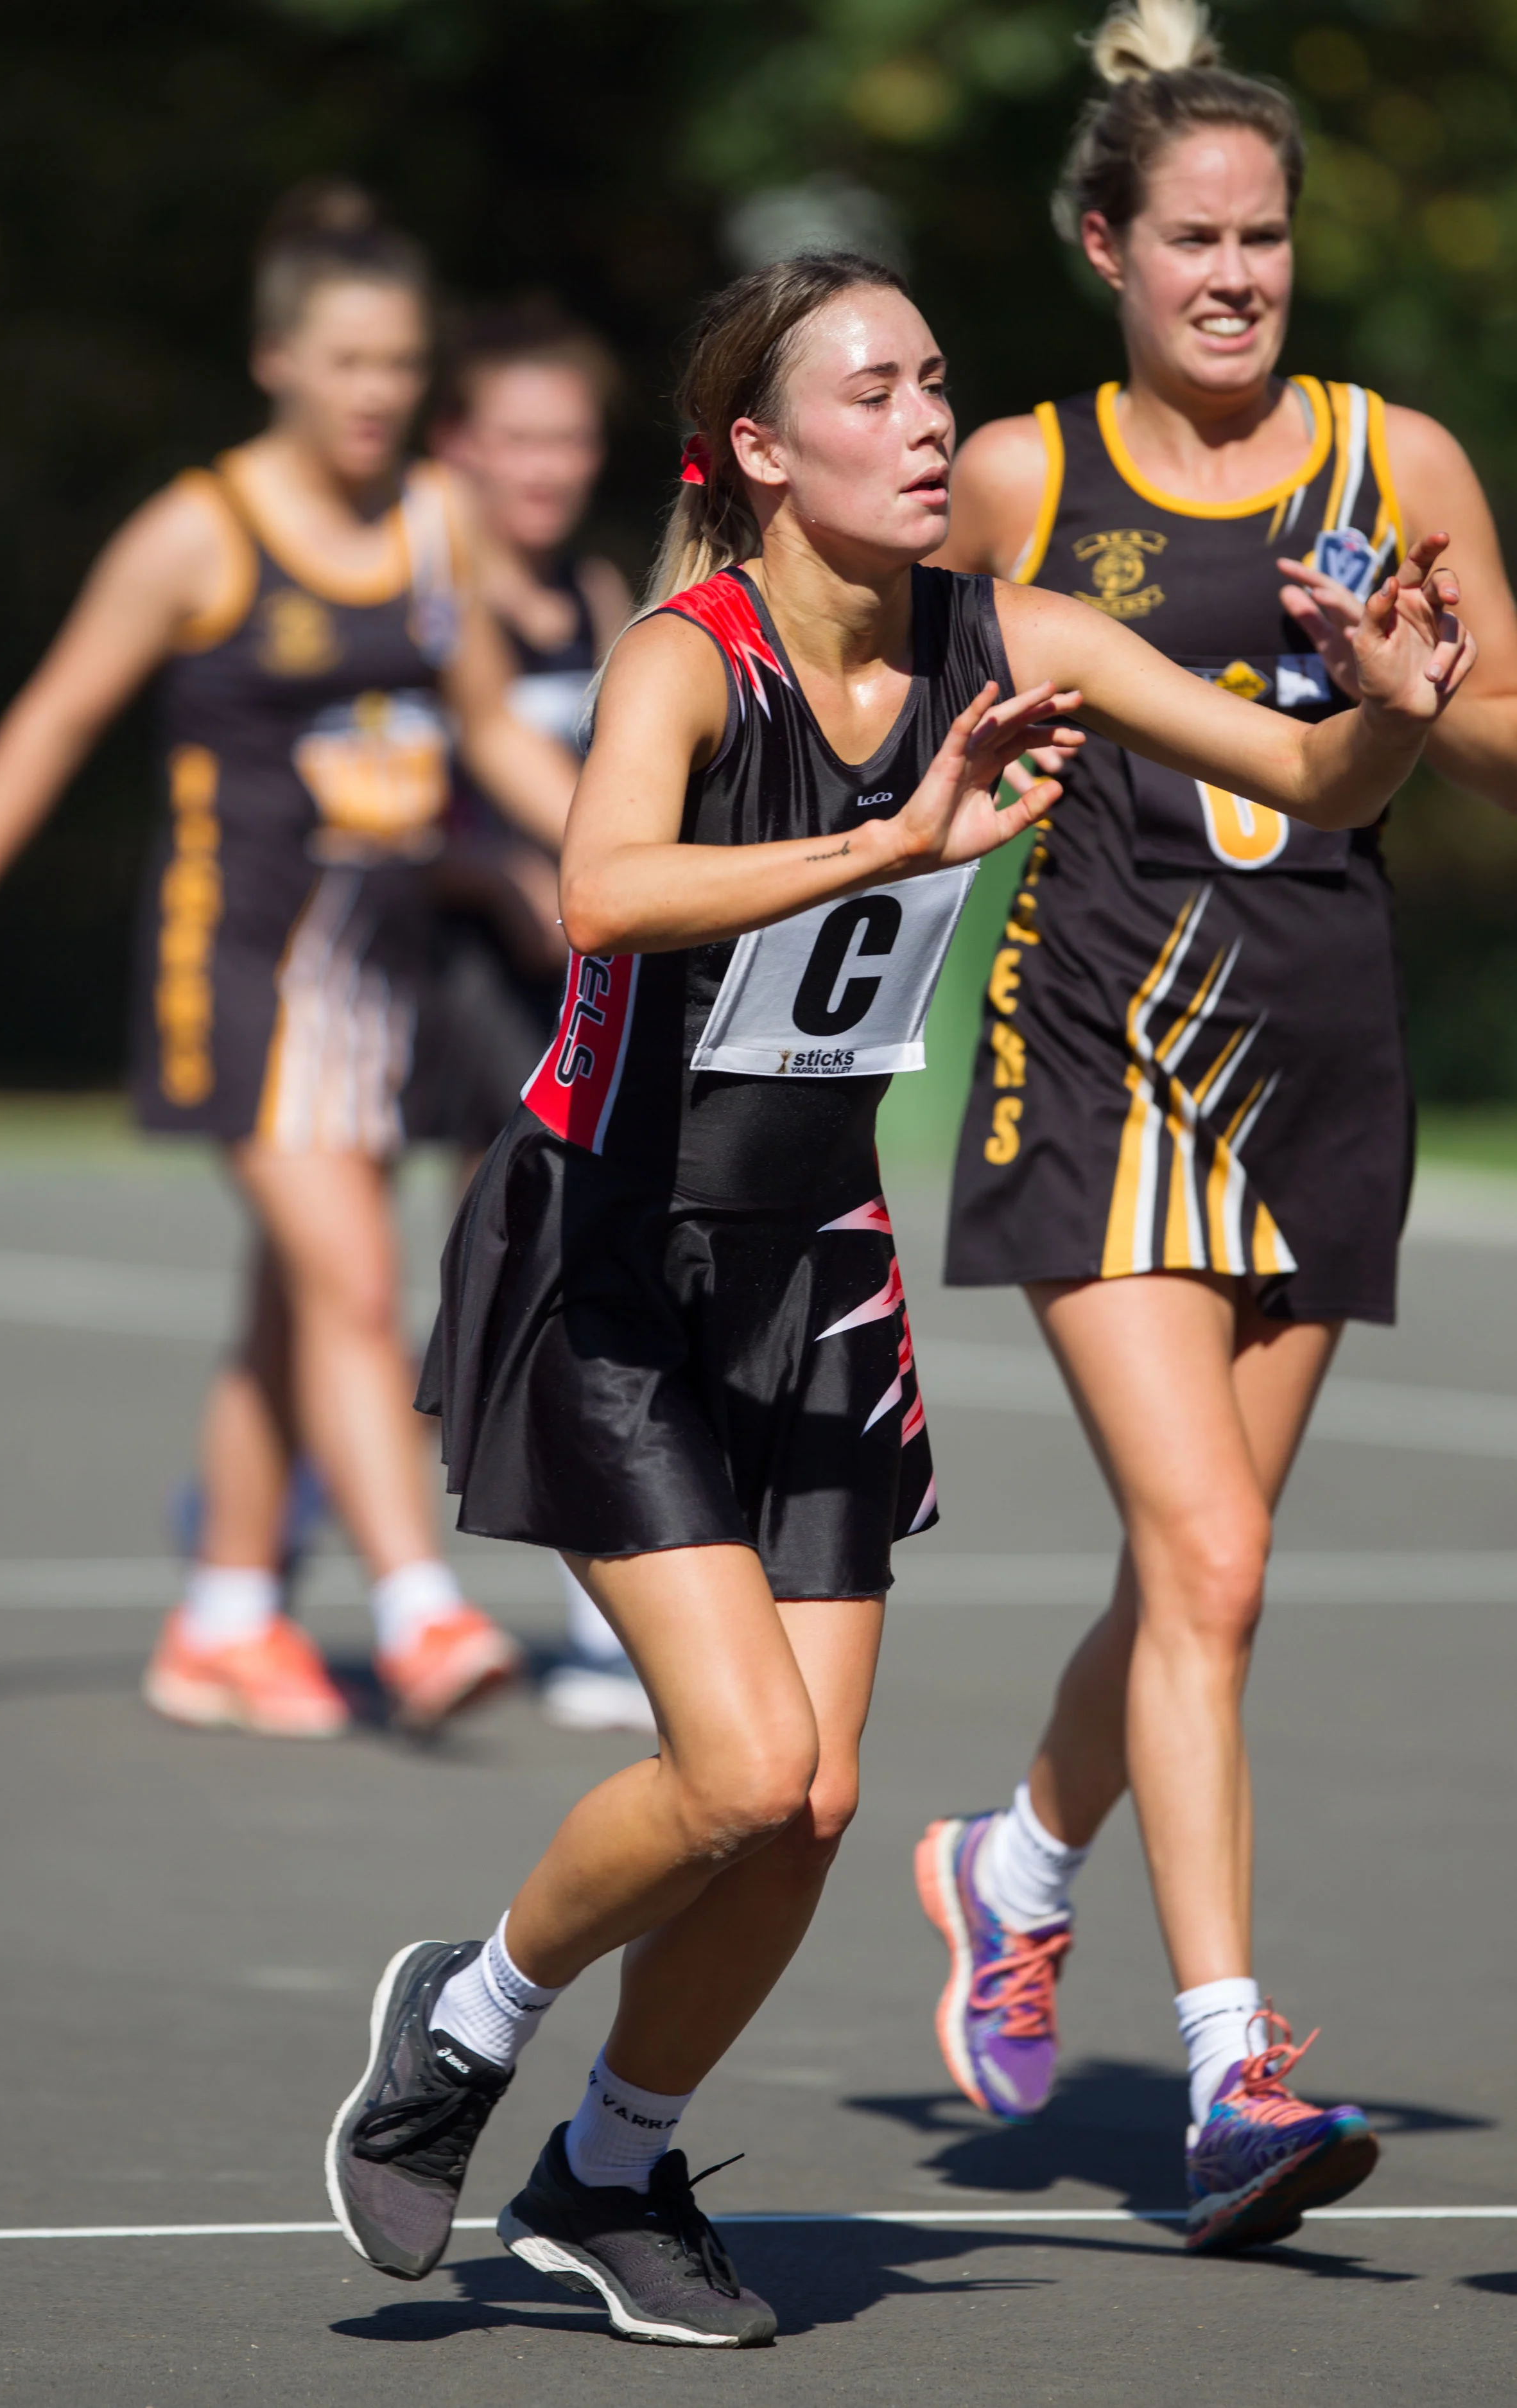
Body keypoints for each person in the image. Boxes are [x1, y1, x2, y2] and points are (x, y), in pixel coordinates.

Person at [321, 249, 1468, 2344]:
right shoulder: (696, 656)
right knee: (745, 1765)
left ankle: (613, 2167)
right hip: (613, 1251)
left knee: (816, 1808)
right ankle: (465, 2024)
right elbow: (604, 892)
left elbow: (1302, 792)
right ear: (761, 450)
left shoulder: (1009, 629)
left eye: (940, 382)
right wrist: (893, 842)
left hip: (815, 1272)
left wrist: (1386, 708)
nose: (931, 422)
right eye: (875, 393)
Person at [915, 0, 1517, 2254]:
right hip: (1092, 1053)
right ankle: (1232, 2072)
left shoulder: (1402, 460)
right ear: (1107, 246)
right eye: (1195, 238)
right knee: (1220, 1569)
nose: (1239, 275)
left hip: (1324, 1054)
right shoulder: (1021, 478)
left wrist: (1423, 699)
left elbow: (1504, 749)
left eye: (1267, 236)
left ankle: (1010, 1864)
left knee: (1197, 1571)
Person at [0, 181, 576, 1739]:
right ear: (276, 360)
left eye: (401, 364)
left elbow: (486, 725)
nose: (377, 392)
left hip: (371, 976)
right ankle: (418, 1614)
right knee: (351, 1280)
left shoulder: (432, 523)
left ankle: (220, 1613)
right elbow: (53, 718)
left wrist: (617, 862)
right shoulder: (196, 534)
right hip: (233, 969)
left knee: (296, 1298)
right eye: (347, 361)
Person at [431, 303, 654, 1734]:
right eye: (516, 438)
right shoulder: (430, 590)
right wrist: (535, 872)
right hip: (441, 971)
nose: (546, 466)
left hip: (561, 974)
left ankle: (597, 1617)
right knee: (442, 1293)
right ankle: (255, 1556)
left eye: (568, 437)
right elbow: (431, 773)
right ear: (459, 446)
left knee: (550, 1285)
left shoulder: (593, 591)